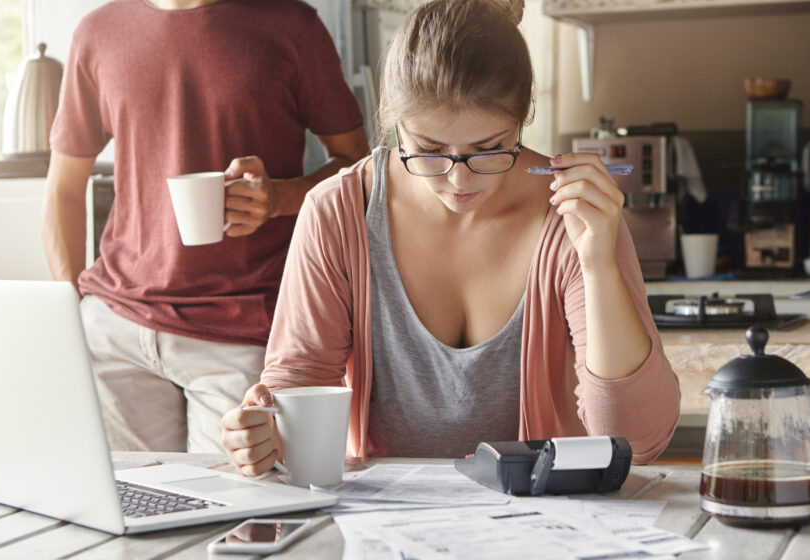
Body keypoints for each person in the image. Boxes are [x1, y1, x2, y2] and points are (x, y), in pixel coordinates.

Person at [221, 0, 680, 474]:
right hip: (388, 529)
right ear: (394, 124)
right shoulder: (338, 212)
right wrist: (263, 432)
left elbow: (636, 440)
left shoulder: (575, 216)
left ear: (522, 120)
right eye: (429, 150)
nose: (459, 182)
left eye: (488, 149)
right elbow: (298, 393)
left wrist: (599, 262)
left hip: (548, 527)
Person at [43, 0, 369, 453]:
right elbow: (63, 187)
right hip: (115, 329)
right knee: (133, 511)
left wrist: (279, 198)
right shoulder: (97, 33)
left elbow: (358, 164)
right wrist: (68, 310)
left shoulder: (292, 25)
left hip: (243, 330)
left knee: (233, 514)